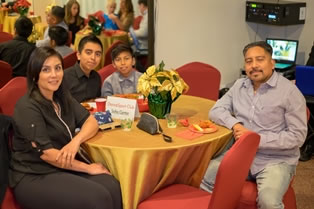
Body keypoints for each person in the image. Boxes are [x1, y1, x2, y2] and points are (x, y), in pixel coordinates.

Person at [9, 47, 122, 209]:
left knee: (112, 185)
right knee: (99, 197)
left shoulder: (61, 97)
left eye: (58, 68)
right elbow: (47, 154)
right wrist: (87, 168)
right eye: (46, 70)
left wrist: (76, 141)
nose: (54, 75)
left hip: (64, 165)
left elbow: (92, 122)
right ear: (35, 75)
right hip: (34, 173)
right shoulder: (27, 107)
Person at [200, 41, 307, 209]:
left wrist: (254, 139)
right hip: (240, 154)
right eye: (249, 61)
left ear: (272, 63)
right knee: (202, 179)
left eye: (260, 59)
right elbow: (216, 110)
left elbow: (297, 137)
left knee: (268, 202)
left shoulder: (290, 93)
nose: (254, 65)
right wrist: (235, 125)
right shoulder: (238, 86)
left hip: (275, 160)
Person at [64, 34, 102, 102]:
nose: (93, 58)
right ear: (78, 55)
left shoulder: (96, 77)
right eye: (88, 53)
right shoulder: (65, 77)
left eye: (97, 54)